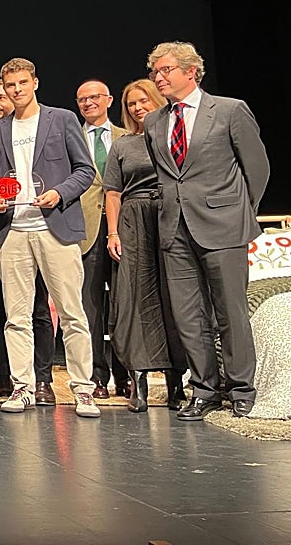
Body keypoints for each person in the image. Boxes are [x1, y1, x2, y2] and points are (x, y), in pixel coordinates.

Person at [143, 41, 270, 421]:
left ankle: (241, 388)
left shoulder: (230, 111)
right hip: (174, 228)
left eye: (165, 70)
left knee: (230, 312)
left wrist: (240, 213)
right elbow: (167, 176)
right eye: (155, 72)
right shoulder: (154, 122)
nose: (158, 78)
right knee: (188, 315)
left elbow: (257, 169)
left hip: (223, 225)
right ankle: (205, 390)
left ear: (191, 72)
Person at [0, 57, 101, 418]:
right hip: (14, 231)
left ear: (35, 82)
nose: (16, 90)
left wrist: (60, 193)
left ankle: (83, 389)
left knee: (72, 313)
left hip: (56, 227)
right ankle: (22, 387)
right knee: (16, 316)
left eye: (22, 82)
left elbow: (85, 170)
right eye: (10, 85)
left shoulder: (62, 119)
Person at [103, 79, 188, 412]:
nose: (138, 109)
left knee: (173, 299)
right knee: (135, 299)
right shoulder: (123, 145)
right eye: (132, 104)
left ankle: (176, 384)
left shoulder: (173, 135)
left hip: (169, 217)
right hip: (134, 220)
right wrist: (113, 233)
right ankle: (137, 383)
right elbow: (112, 192)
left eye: (143, 102)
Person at [0, 80, 57, 403]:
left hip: (32, 229)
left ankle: (43, 379)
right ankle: (5, 377)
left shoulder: (33, 135)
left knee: (37, 309)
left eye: (1, 97)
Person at [75, 80, 131, 400]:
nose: (88, 103)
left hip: (123, 229)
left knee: (122, 306)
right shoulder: (70, 139)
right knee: (90, 308)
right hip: (85, 232)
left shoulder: (128, 137)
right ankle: (98, 376)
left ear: (109, 100)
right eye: (82, 99)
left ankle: (126, 374)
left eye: (94, 97)